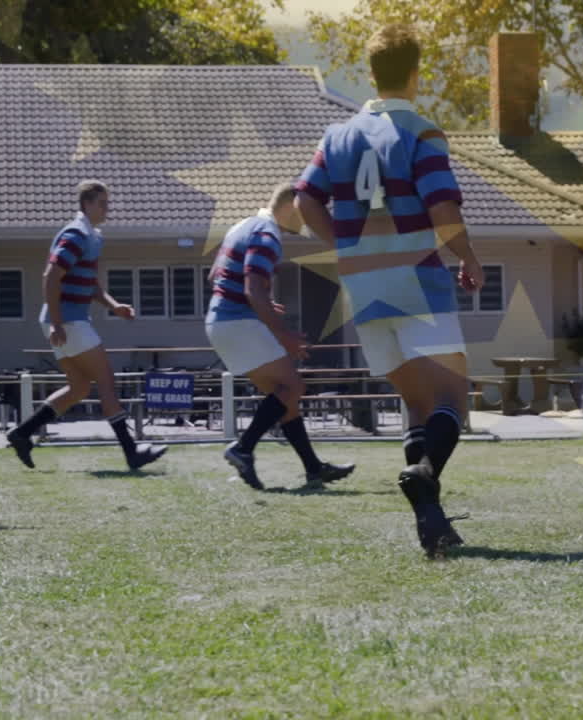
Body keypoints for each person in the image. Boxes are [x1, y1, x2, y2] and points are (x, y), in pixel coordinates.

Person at [295, 24, 484, 557]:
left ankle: (431, 522)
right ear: (415, 74)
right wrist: (468, 257)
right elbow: (443, 209)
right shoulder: (421, 132)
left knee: (417, 406)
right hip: (417, 278)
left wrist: (346, 246)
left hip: (364, 285)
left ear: (371, 74)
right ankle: (424, 477)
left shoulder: (336, 136)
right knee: (452, 400)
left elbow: (305, 202)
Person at [6, 181, 167, 471]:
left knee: (79, 388)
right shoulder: (77, 234)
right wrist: (57, 323)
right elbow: (50, 277)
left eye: (107, 202)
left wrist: (113, 306)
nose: (107, 208)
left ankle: (22, 433)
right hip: (67, 321)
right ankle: (132, 452)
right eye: (102, 203)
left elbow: (90, 283)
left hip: (66, 320)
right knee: (106, 380)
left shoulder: (92, 236)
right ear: (87, 204)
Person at [207, 184, 355, 490]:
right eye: (306, 213)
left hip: (221, 321)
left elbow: (215, 277)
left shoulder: (242, 225)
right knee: (293, 387)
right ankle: (243, 448)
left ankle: (314, 468)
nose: (309, 221)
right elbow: (253, 288)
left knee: (284, 398)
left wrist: (258, 301)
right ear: (291, 206)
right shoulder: (268, 233)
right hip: (238, 323)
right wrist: (283, 334)